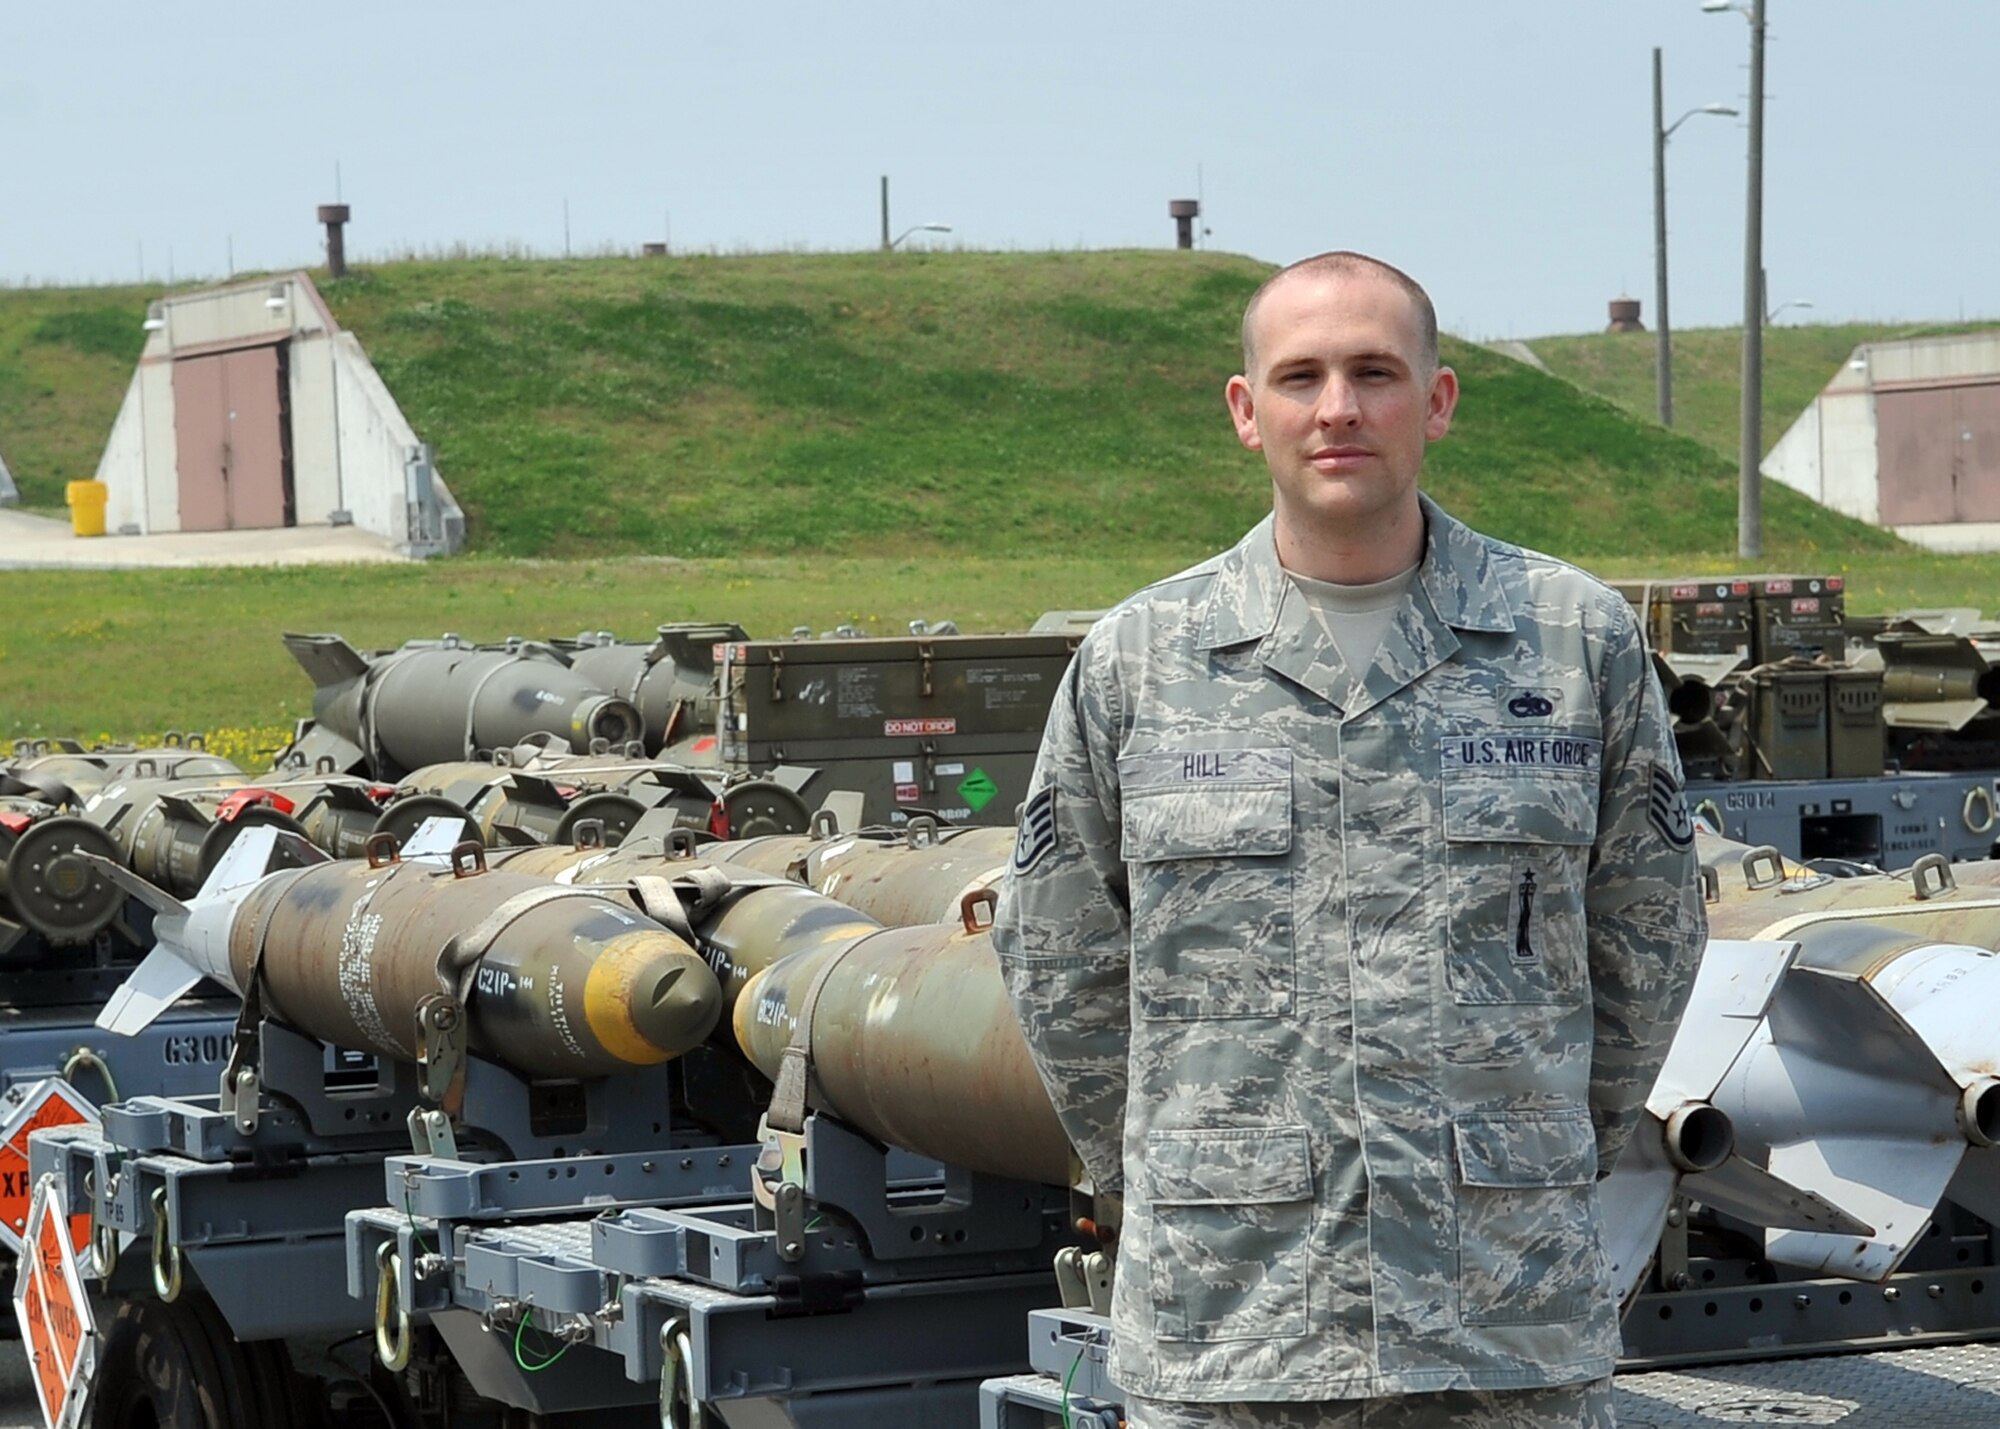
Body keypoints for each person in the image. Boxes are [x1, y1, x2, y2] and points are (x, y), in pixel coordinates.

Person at [993, 251, 1706, 1429]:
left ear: (1435, 400)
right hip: (1234, 1321)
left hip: (1502, 1325)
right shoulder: (1140, 661)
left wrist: (1530, 1151)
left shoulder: (1570, 643)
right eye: (1300, 376)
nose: (1337, 408)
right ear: (1245, 410)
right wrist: (1168, 1174)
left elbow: (1648, 934)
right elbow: (1059, 953)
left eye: (1374, 372)